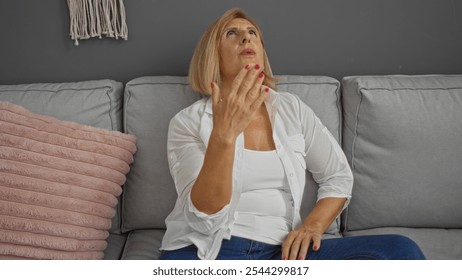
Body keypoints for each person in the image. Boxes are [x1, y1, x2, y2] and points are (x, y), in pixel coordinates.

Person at [159, 8, 425, 260]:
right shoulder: (187, 122)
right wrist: (223, 136)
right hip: (210, 250)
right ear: (212, 55)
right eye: (232, 33)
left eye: (253, 33)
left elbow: (338, 176)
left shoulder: (291, 109)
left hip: (283, 253)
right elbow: (204, 218)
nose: (246, 37)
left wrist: (312, 227)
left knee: (400, 250)